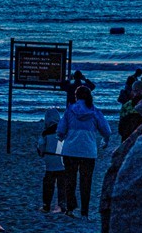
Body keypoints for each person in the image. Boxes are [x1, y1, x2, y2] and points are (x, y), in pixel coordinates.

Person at [57, 86, 111, 218]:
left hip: (70, 150)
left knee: (70, 180)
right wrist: (105, 140)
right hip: (88, 151)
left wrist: (62, 137)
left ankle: (70, 209)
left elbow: (61, 130)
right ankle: (84, 212)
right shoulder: (94, 112)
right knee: (86, 182)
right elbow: (107, 130)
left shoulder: (69, 111)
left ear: (76, 97)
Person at [36, 108, 67, 213]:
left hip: (50, 162)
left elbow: (41, 146)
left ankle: (46, 205)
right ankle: (62, 204)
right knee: (62, 184)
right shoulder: (63, 131)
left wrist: (41, 153)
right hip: (62, 160)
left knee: (48, 184)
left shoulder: (46, 133)